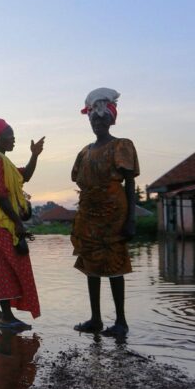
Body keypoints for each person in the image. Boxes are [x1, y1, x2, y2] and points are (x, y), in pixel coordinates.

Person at [71, 88, 139, 337]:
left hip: (114, 213)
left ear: (111, 119)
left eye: (102, 118)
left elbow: (130, 183)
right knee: (91, 265)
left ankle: (121, 321)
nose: (97, 122)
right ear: (89, 121)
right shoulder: (84, 152)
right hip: (88, 214)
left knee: (114, 265)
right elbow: (79, 180)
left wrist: (131, 219)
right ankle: (96, 319)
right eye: (93, 119)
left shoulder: (122, 145)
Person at [0, 118, 43, 330]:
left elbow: (26, 176)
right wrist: (18, 223)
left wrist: (34, 155)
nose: (13, 139)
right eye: (9, 135)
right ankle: (6, 317)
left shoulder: (4, 161)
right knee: (3, 265)